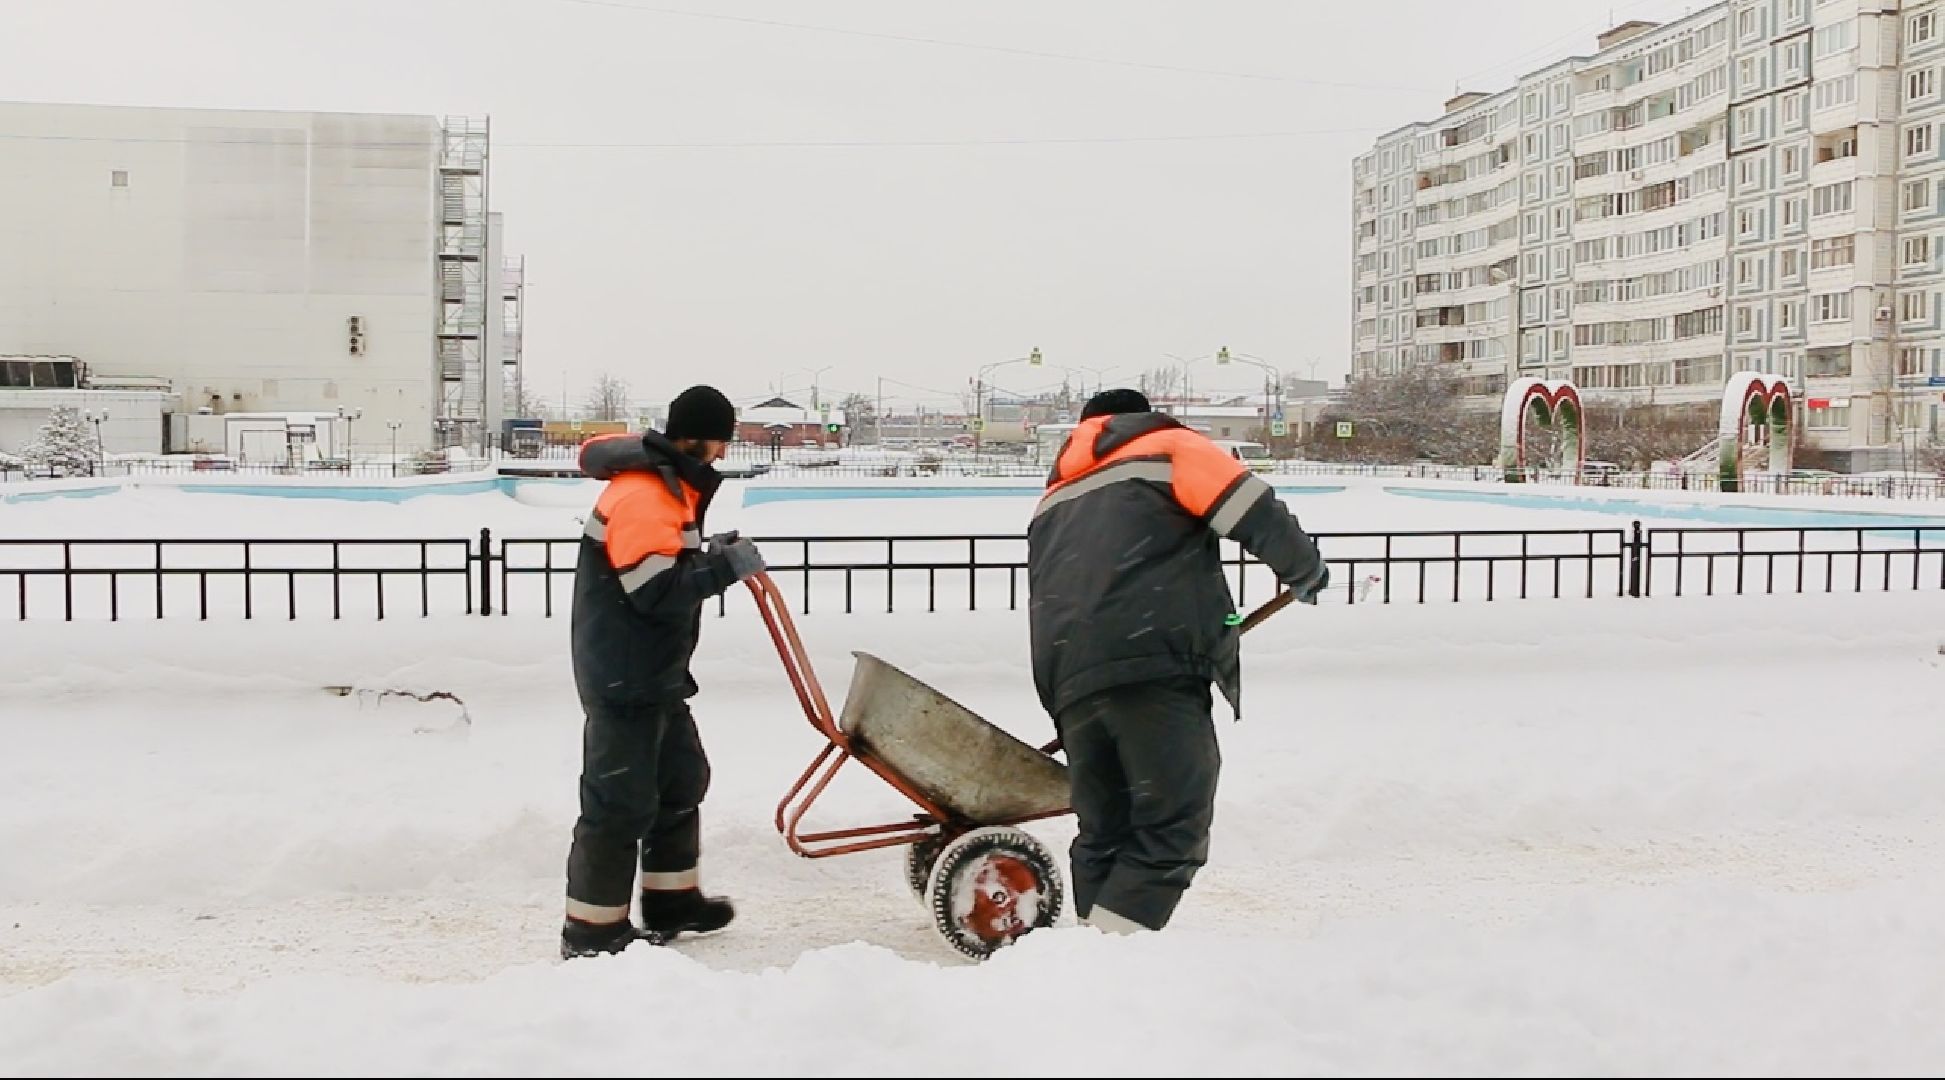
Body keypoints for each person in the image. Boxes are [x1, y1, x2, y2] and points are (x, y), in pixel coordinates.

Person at [1026, 388, 1329, 934]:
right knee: (1172, 825)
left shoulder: (1057, 494)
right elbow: (1252, 508)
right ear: (1137, 417)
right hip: (1151, 660)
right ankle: (1111, 962)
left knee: (1105, 829)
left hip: (1068, 673)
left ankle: (1085, 959)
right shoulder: (1167, 447)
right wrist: (1304, 570)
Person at [559, 385, 768, 960]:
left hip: (654, 675)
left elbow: (668, 564)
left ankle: (673, 900)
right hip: (624, 678)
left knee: (680, 782)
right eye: (719, 440)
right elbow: (653, 591)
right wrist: (722, 569)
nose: (722, 454)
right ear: (694, 437)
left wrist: (711, 555)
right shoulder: (646, 495)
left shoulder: (669, 488)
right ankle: (593, 930)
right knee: (619, 803)